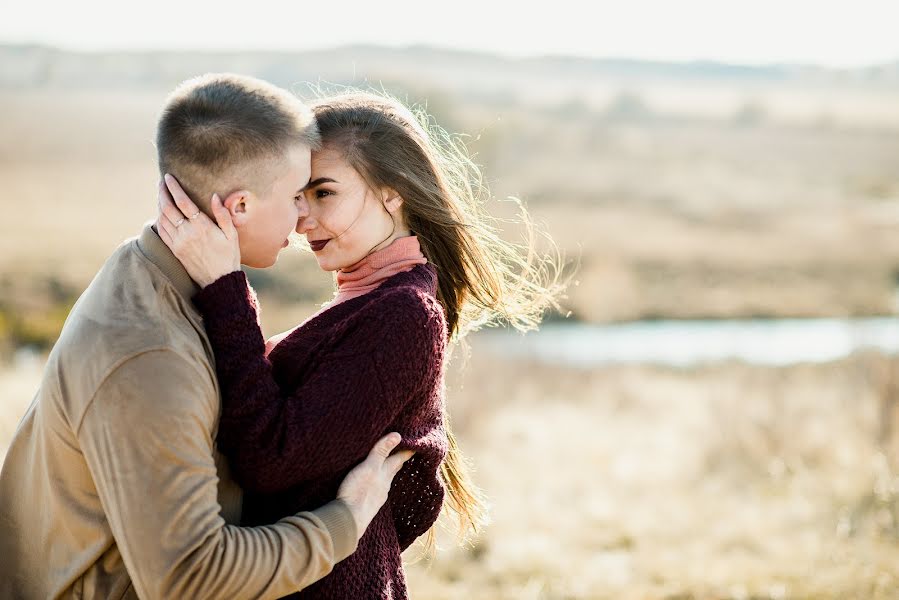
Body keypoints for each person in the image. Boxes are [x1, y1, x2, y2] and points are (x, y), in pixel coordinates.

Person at [0, 74, 413, 599]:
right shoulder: (149, 354)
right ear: (239, 207)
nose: (301, 218)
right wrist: (346, 522)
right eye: (294, 195)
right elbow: (189, 579)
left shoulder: (157, 274)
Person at [157, 90, 567, 599]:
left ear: (391, 192)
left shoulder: (404, 316)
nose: (303, 218)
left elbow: (272, 457)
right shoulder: (370, 303)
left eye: (324, 193)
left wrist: (226, 291)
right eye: (299, 195)